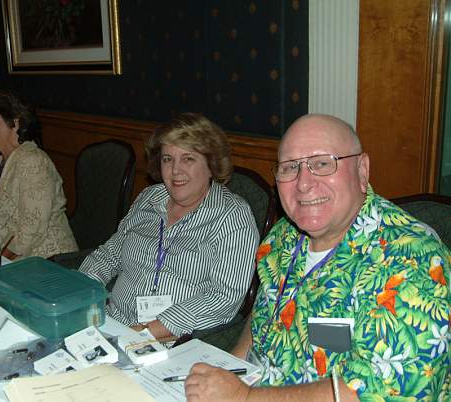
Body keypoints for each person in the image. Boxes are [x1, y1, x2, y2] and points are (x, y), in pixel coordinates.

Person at [185, 114, 451, 401]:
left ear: (362, 170)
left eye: (322, 164)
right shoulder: (283, 236)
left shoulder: (414, 260)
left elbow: (385, 392)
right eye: (289, 167)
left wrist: (244, 396)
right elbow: (265, 314)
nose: (303, 183)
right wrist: (232, 368)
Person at [79, 113, 259, 339]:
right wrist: (79, 297)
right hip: (110, 323)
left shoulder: (231, 215)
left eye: (188, 159)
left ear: (211, 165)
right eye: (167, 159)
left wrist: (142, 333)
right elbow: (109, 255)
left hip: (171, 343)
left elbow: (223, 297)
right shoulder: (149, 198)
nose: (175, 170)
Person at [0, 91, 77, 260]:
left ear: (15, 122)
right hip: (12, 261)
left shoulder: (33, 160)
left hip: (46, 262)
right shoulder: (1, 162)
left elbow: (31, 228)